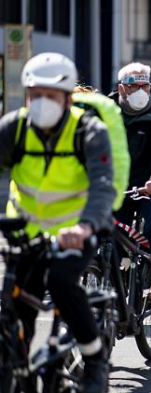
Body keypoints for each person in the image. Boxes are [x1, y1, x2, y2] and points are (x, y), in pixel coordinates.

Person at [0, 53, 114, 392]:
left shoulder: (88, 131)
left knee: (62, 282)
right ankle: (16, 370)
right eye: (35, 94)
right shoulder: (14, 127)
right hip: (23, 233)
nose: (41, 102)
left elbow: (103, 185)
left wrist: (85, 226)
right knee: (13, 307)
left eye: (50, 95)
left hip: (75, 233)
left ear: (67, 98)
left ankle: (94, 358)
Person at [109, 62, 151, 302]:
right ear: (121, 88)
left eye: (145, 85)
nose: (140, 90)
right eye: (133, 85)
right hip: (118, 186)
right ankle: (108, 278)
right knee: (104, 229)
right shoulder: (105, 113)